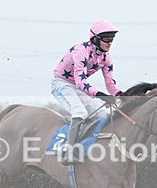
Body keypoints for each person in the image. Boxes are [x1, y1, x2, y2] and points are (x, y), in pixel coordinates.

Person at [51, 21, 123, 164]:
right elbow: (80, 82)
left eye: (112, 40)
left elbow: (110, 85)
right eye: (107, 39)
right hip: (62, 83)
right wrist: (101, 96)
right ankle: (69, 152)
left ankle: (89, 146)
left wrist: (124, 97)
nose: (110, 43)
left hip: (77, 88)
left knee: (103, 114)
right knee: (80, 113)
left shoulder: (106, 58)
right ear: (95, 38)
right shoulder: (81, 50)